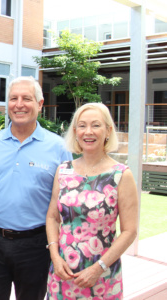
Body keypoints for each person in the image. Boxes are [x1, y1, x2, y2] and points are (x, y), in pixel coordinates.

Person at [0, 76, 72, 300]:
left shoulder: (59, 147)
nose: (19, 104)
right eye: (13, 99)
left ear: (40, 104)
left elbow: (66, 203)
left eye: (26, 98)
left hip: (38, 245)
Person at [45, 103, 138, 299]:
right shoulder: (63, 170)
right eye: (82, 126)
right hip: (63, 274)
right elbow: (53, 217)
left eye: (96, 125)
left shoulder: (121, 175)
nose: (88, 132)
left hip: (102, 277)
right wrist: (54, 254)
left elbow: (129, 231)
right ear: (75, 131)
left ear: (107, 131)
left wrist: (99, 268)